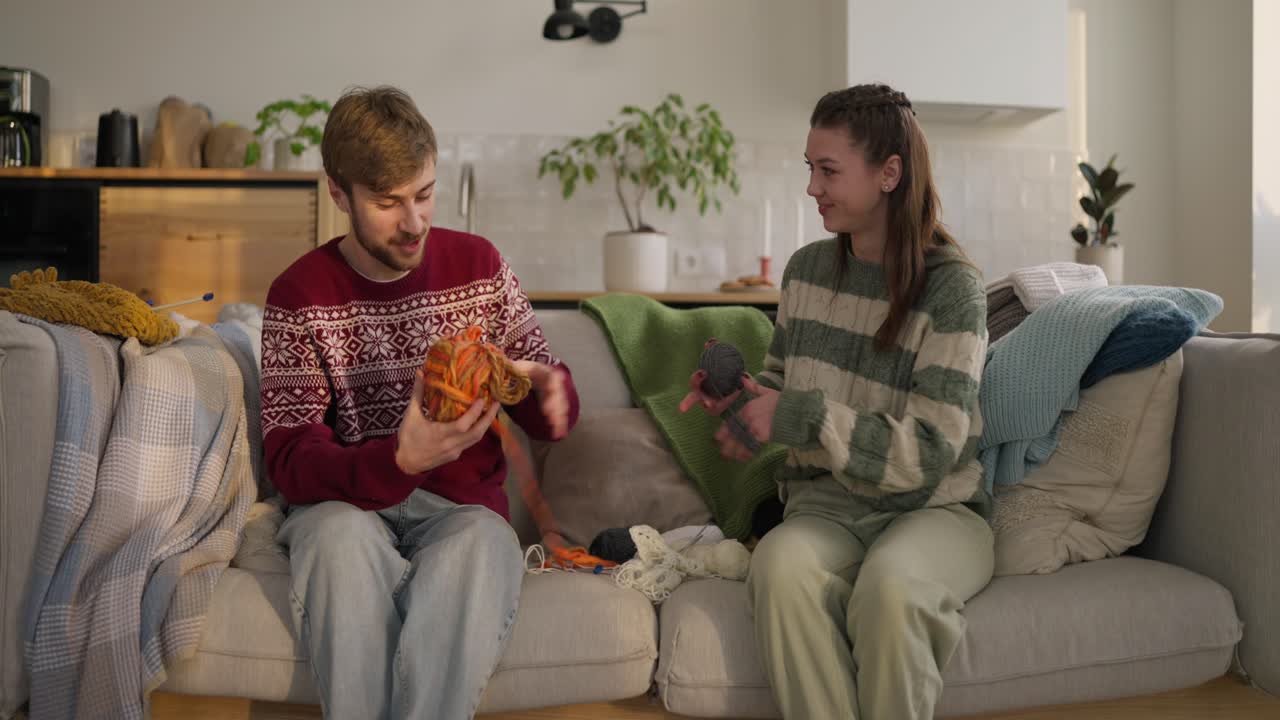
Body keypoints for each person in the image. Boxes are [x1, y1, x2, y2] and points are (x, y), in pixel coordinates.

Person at [259, 85, 580, 720]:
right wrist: (397, 461)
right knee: (334, 542)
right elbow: (290, 459)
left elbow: (548, 412)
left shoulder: (480, 266)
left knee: (481, 549)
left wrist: (547, 389)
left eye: (424, 195)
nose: (414, 223)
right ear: (338, 194)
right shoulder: (298, 294)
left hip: (462, 512)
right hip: (345, 507)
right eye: (387, 203)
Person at [680, 83, 992, 719]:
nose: (812, 188)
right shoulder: (807, 272)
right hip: (826, 506)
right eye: (810, 169)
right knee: (779, 566)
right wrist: (742, 399)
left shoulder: (953, 289)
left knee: (893, 591)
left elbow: (931, 451)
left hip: (933, 510)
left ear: (889, 174)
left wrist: (793, 414)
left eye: (828, 171)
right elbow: (783, 386)